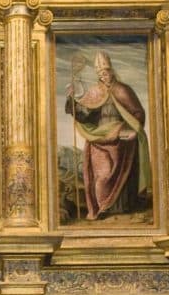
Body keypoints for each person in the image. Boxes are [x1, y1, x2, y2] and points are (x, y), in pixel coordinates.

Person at [64, 51, 150, 221]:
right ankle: (102, 207)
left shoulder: (123, 90)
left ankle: (119, 207)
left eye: (106, 72)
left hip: (120, 139)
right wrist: (72, 100)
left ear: (111, 71)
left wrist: (132, 130)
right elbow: (84, 114)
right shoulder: (95, 92)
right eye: (101, 74)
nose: (104, 76)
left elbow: (137, 113)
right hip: (99, 139)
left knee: (117, 173)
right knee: (101, 176)